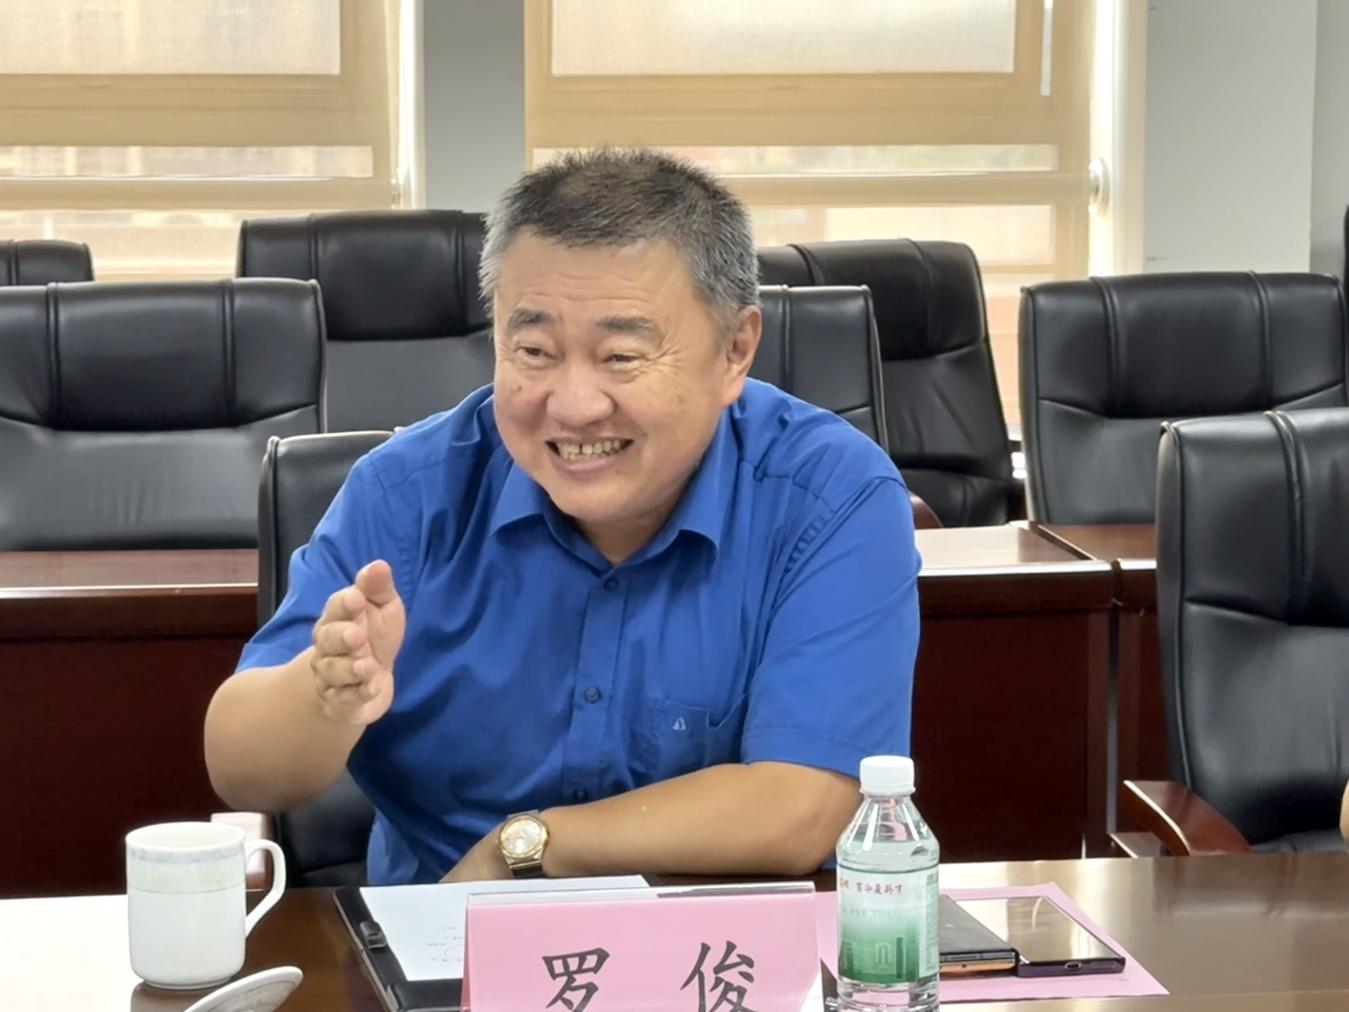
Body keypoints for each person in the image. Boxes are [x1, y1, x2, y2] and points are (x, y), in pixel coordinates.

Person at [204, 149, 921, 885]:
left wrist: (524, 848)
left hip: (717, 944)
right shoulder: (406, 495)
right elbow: (240, 770)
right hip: (440, 944)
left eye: (621, 356)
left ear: (735, 350)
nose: (574, 406)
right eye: (534, 350)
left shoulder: (829, 495)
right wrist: (325, 695)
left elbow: (801, 805)